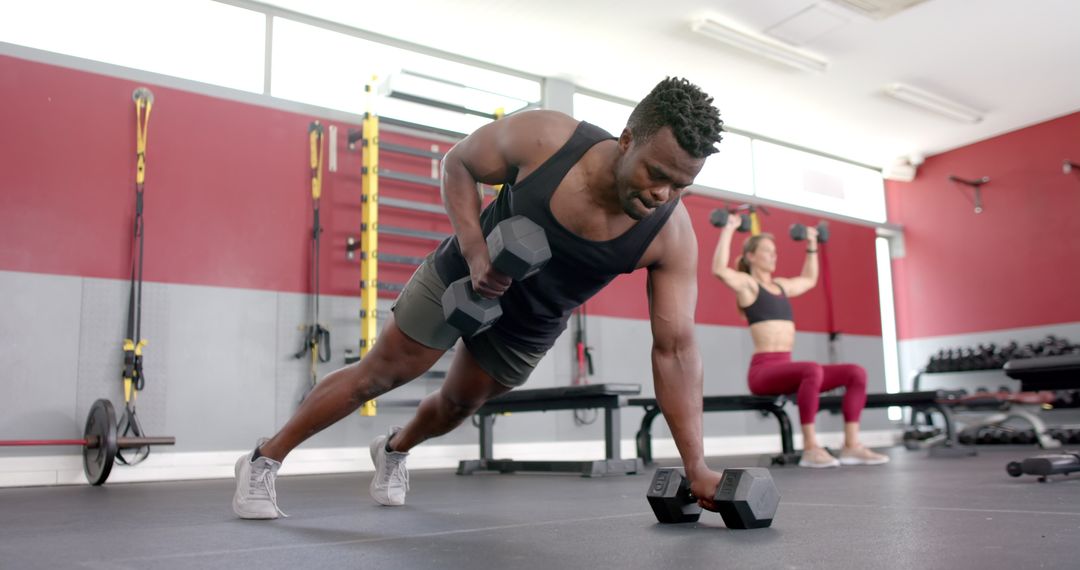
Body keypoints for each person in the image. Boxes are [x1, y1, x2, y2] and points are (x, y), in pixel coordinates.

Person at [233, 77, 726, 519]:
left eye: (681, 185)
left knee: (457, 404)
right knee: (381, 374)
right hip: (465, 272)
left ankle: (394, 449)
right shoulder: (547, 139)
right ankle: (264, 459)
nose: (663, 193)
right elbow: (459, 163)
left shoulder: (670, 237)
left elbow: (676, 349)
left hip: (532, 320)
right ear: (626, 140)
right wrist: (474, 252)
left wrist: (696, 464)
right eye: (655, 173)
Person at [710, 217, 889, 468]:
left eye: (775, 252)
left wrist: (812, 243)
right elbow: (719, 270)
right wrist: (729, 227)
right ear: (750, 256)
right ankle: (810, 447)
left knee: (855, 373)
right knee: (812, 369)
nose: (774, 257)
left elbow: (809, 279)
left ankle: (851, 446)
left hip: (787, 368)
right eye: (768, 252)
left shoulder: (781, 286)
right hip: (763, 372)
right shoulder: (749, 286)